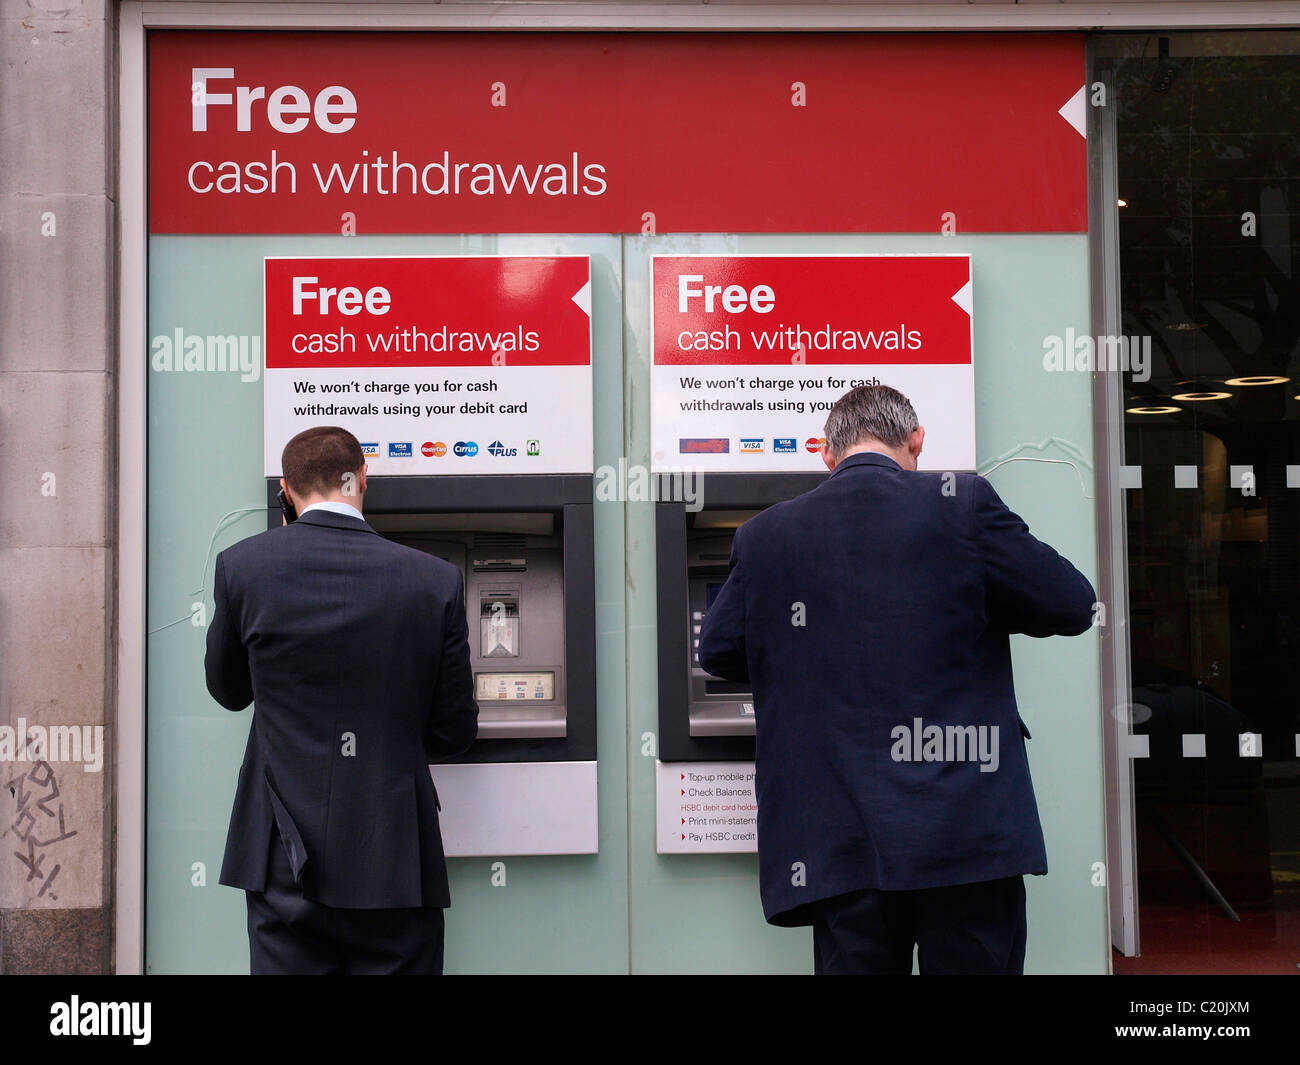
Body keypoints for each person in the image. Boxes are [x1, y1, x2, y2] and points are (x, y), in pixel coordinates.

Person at [698, 384, 1096, 975]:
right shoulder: (961, 503)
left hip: (839, 843)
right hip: (965, 839)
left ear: (827, 456)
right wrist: (976, 606)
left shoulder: (767, 535)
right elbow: (1071, 603)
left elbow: (720, 650)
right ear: (916, 441)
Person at [205, 425, 478, 974]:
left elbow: (228, 692)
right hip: (395, 858)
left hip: (283, 859)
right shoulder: (435, 580)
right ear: (362, 477)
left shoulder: (244, 567)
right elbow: (453, 733)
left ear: (286, 489)